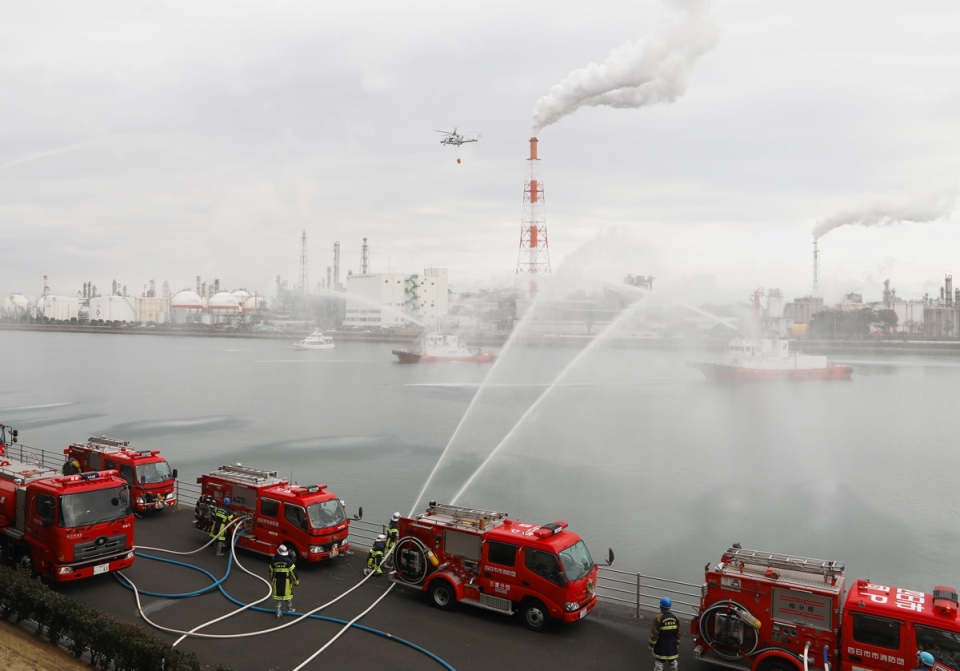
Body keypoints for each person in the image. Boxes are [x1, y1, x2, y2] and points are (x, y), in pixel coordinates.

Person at [650, 596, 681, 671]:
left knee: (659, 663)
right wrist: (677, 643)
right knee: (673, 661)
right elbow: (679, 633)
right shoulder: (675, 617)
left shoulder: (658, 618)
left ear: (661, 606)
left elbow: (654, 634)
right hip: (672, 643)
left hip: (661, 644)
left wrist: (652, 645)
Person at [270, 544, 299, 617]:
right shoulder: (289, 562)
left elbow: (271, 573)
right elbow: (293, 573)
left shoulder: (273, 562)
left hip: (277, 581)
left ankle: (278, 611)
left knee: (278, 597)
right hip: (286, 582)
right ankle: (289, 609)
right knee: (288, 596)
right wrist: (296, 581)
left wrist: (271, 580)